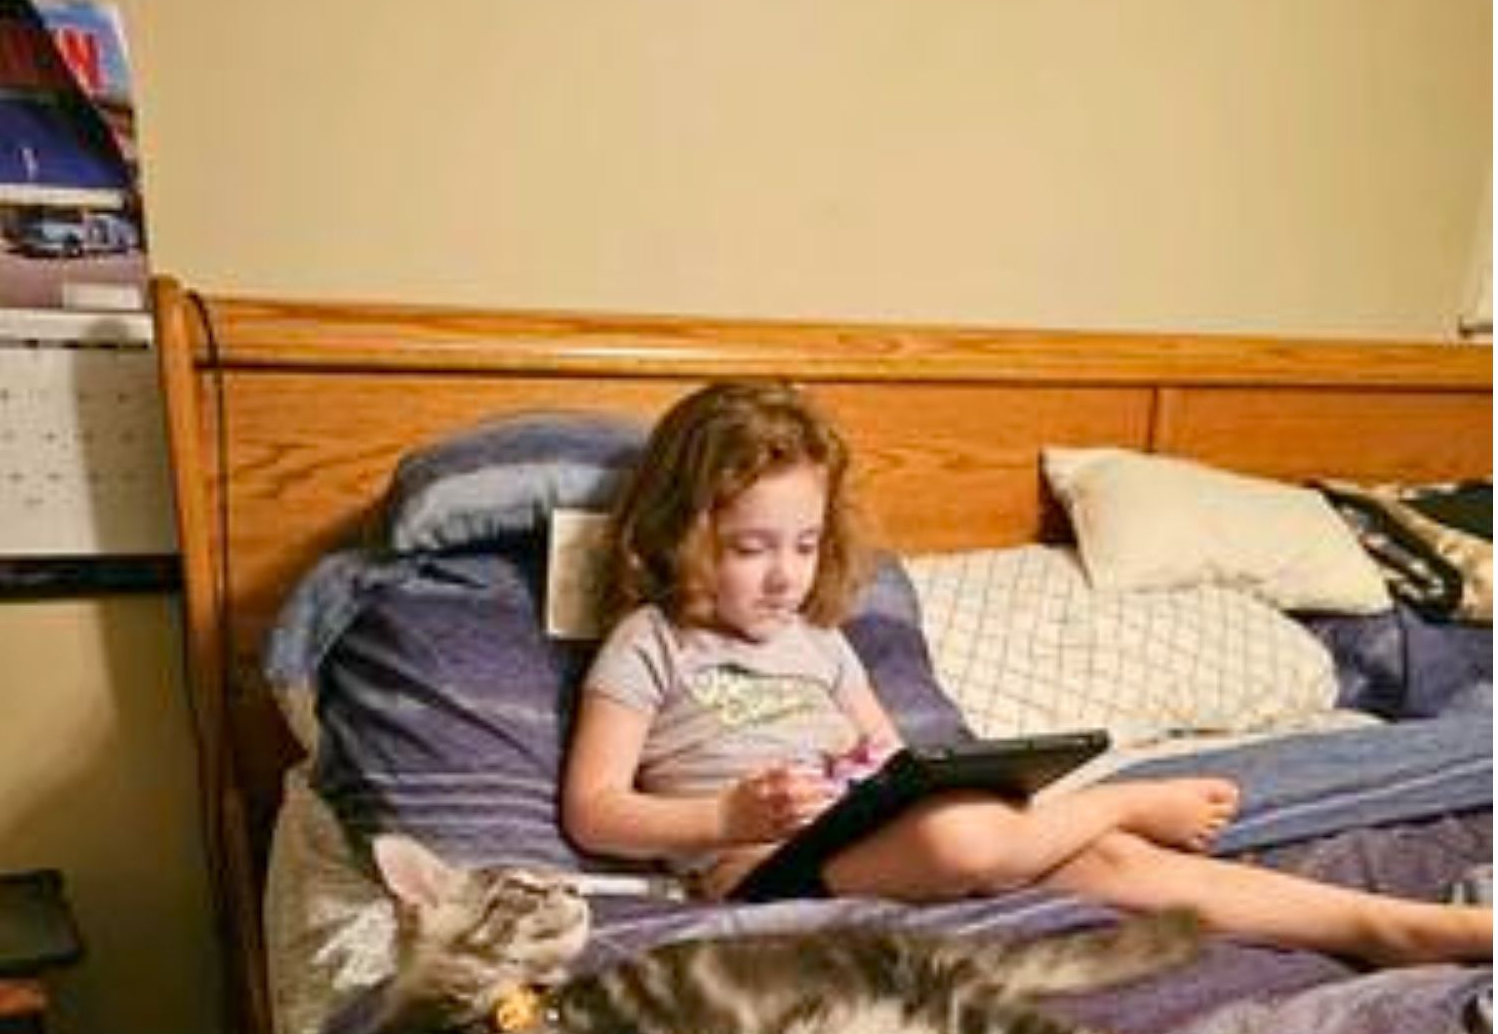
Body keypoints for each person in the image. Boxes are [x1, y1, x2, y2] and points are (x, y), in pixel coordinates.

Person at [562, 381, 1492, 966]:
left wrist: (893, 779)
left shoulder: (821, 641)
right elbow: (594, 809)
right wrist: (721, 817)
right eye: (750, 547)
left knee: (1109, 866)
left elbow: (886, 750)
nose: (783, 574)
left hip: (868, 832)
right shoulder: (650, 643)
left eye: (803, 545)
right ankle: (1122, 798)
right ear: (687, 532)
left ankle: (1380, 925)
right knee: (973, 839)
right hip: (757, 868)